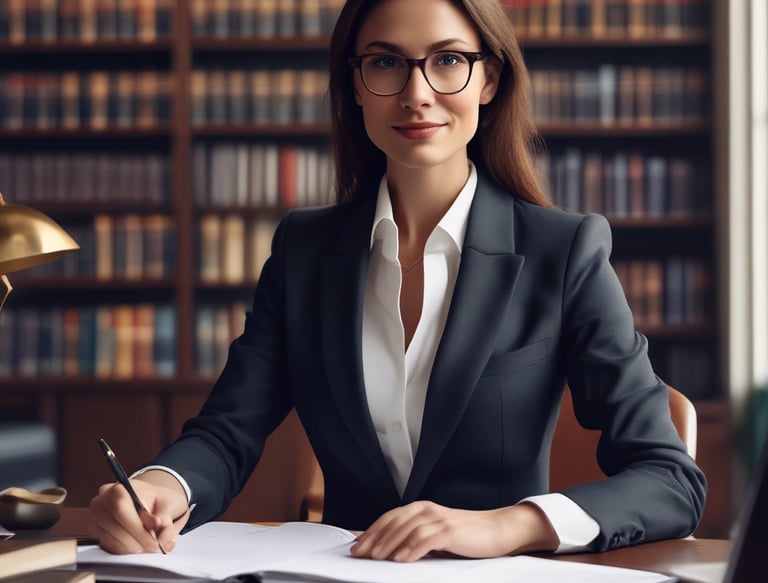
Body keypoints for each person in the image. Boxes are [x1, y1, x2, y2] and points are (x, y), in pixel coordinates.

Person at [90, 0, 707, 562]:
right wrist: (156, 486)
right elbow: (228, 432)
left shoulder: (563, 251)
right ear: (354, 86)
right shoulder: (305, 250)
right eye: (385, 62)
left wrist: (502, 526)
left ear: (489, 79)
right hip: (339, 574)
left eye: (448, 61)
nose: (416, 93)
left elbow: (668, 479)